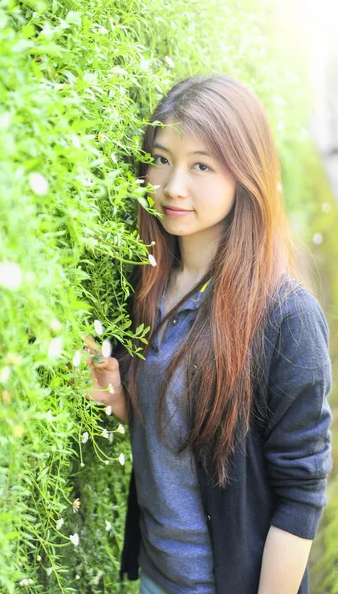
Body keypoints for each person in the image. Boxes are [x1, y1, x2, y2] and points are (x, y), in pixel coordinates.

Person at [82, 74, 333, 594]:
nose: (173, 184)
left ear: (245, 176)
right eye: (161, 158)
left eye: (201, 165)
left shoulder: (285, 316)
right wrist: (123, 400)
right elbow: (175, 439)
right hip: (155, 577)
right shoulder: (148, 284)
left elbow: (301, 493)